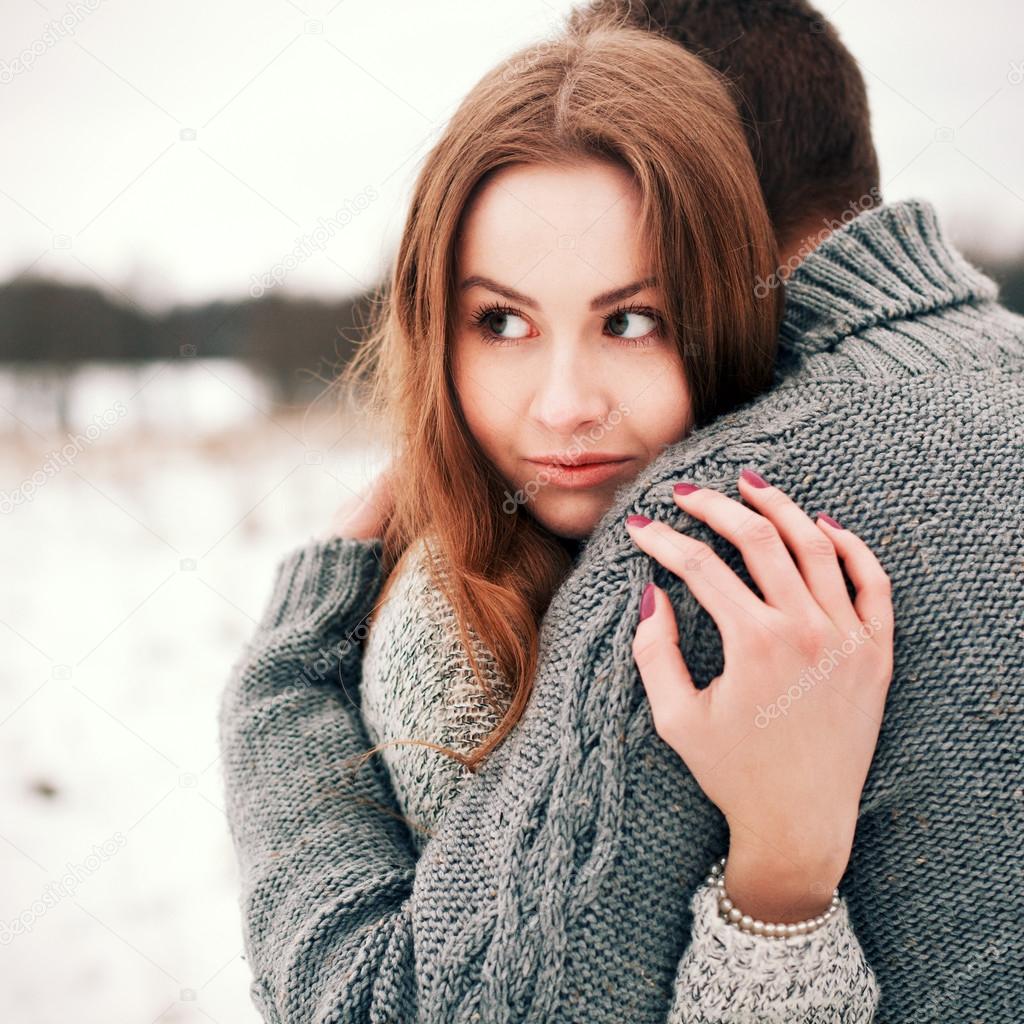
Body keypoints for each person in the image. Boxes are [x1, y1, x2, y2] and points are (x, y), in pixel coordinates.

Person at [218, 5, 1024, 1024]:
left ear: (705, 180)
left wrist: (278, 679)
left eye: (633, 317)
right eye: (500, 319)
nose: (563, 404)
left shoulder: (708, 546)